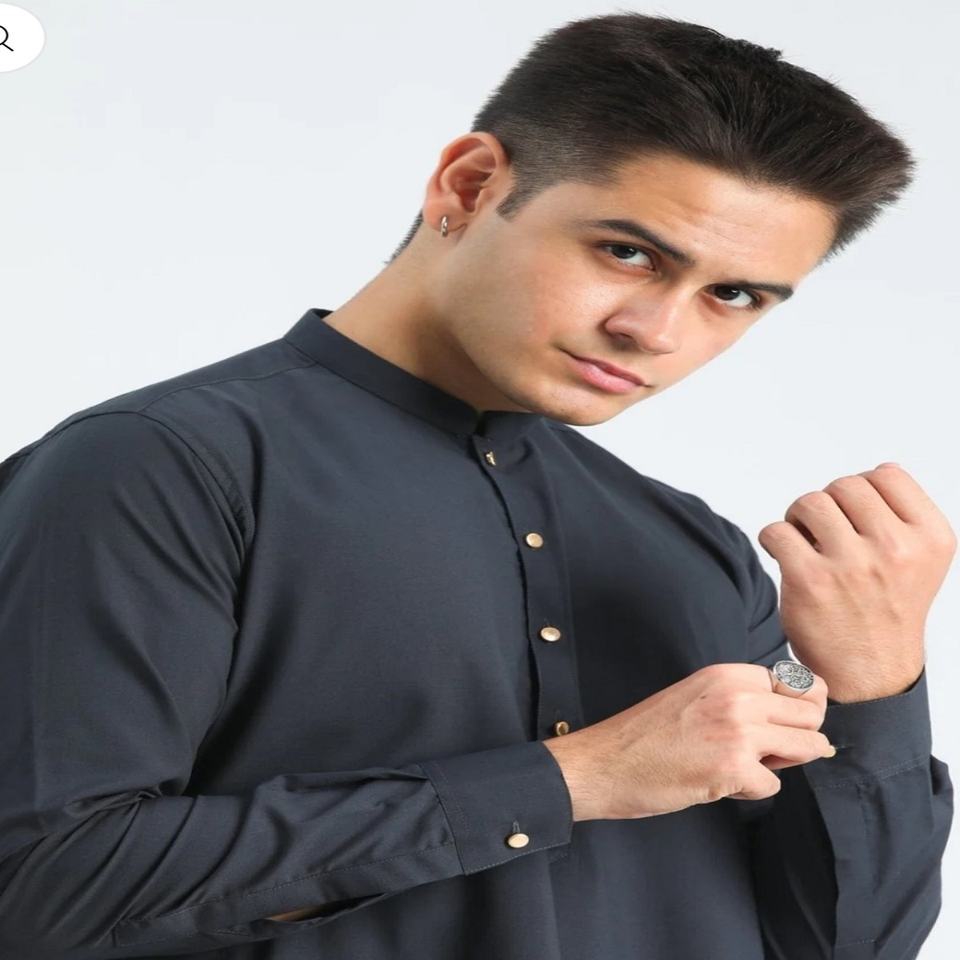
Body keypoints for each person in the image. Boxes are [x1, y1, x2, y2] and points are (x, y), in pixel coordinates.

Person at [0, 11, 953, 960]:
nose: (657, 331)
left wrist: (874, 686)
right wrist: (570, 780)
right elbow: (41, 894)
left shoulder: (693, 549)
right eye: (628, 252)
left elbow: (846, 946)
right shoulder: (159, 466)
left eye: (731, 295)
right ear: (470, 185)